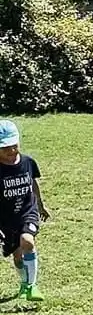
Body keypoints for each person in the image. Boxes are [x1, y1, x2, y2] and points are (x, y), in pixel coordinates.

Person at [0, 119, 49, 302]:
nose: (11, 151)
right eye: (5, 149)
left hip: (27, 211)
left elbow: (33, 183)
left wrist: (41, 206)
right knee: (18, 256)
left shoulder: (28, 162)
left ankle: (32, 285)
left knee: (27, 240)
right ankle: (24, 282)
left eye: (14, 146)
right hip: (5, 218)